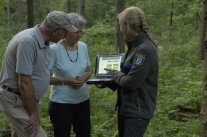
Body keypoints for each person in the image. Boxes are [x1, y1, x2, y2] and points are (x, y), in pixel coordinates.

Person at [0, 11, 77, 137]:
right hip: (14, 100)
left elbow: (39, 75)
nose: (65, 35)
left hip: (24, 100)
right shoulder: (28, 41)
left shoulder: (43, 42)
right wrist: (34, 114)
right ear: (56, 31)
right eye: (65, 31)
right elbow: (24, 82)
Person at [104, 7, 159, 137]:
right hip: (126, 109)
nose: (119, 28)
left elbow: (131, 82)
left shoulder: (144, 50)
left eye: (120, 25)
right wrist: (105, 81)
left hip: (137, 112)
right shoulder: (132, 47)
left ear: (126, 25)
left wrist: (114, 73)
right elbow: (125, 76)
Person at [48, 13, 92, 137]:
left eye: (81, 32)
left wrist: (83, 78)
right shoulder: (54, 49)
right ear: (67, 31)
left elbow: (88, 71)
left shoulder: (83, 47)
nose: (80, 35)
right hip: (61, 103)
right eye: (77, 32)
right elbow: (45, 78)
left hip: (83, 100)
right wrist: (67, 81)